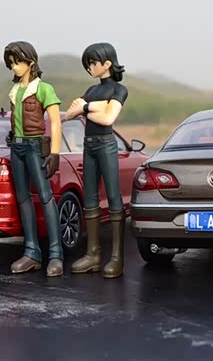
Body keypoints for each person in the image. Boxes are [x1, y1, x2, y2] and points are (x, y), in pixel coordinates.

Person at [65, 42, 128, 279]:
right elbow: (69, 114)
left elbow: (108, 119)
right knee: (90, 197)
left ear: (107, 63)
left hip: (106, 145)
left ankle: (117, 258)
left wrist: (86, 107)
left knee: (113, 196)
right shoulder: (91, 89)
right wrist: (94, 107)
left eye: (92, 63)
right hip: (88, 145)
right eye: (88, 64)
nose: (90, 67)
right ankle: (93, 254)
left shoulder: (119, 89)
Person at [3, 41, 64, 277]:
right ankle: (31, 253)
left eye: (17, 62)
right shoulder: (15, 90)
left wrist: (55, 153)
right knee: (23, 199)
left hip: (35, 147)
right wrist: (13, 134)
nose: (14, 67)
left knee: (46, 198)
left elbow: (55, 122)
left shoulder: (44, 88)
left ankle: (56, 254)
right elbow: (18, 119)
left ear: (30, 62)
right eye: (11, 63)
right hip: (17, 148)